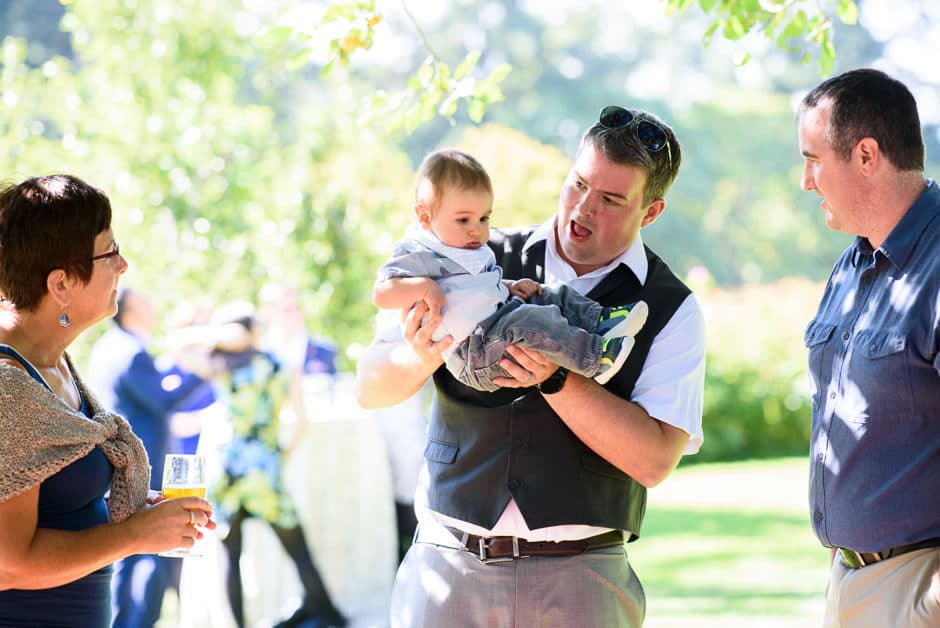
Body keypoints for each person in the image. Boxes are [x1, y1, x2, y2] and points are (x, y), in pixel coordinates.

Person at [356, 106, 706, 626]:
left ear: (650, 212)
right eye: (579, 184)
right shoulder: (471, 251)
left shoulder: (671, 307)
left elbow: (654, 460)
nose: (583, 209)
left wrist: (557, 378)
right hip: (445, 568)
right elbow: (369, 386)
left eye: (610, 199)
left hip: (583, 581)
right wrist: (418, 355)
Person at [0, 174, 215, 627]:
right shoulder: (8, 385)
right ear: (61, 284)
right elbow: (9, 563)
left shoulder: (50, 361)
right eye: (110, 253)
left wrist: (146, 513)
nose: (124, 266)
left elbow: (62, 508)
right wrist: (135, 536)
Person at [797, 68, 940, 627]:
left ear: (865, 155)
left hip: (916, 592)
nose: (805, 181)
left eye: (812, 158)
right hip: (849, 582)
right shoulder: (851, 264)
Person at [373, 148, 649, 393]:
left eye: (484, 218)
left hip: (494, 326)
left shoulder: (468, 248)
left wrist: (508, 286)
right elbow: (382, 294)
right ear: (425, 216)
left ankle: (600, 321)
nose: (477, 229)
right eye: (463, 219)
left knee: (548, 295)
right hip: (474, 352)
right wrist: (422, 287)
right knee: (530, 319)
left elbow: (474, 288)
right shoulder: (421, 251)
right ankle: (596, 359)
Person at [209, 301, 345, 628]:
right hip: (263, 470)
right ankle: (331, 617)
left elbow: (182, 345)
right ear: (254, 329)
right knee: (298, 549)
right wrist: (277, 455)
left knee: (232, 556)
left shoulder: (222, 365)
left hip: (229, 470)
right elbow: (301, 425)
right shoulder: (280, 364)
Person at [86, 288, 213, 628]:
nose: (154, 305)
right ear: (129, 310)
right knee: (149, 556)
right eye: (145, 301)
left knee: (129, 557)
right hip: (142, 465)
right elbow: (164, 399)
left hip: (116, 465)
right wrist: (204, 372)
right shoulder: (130, 353)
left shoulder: (109, 347)